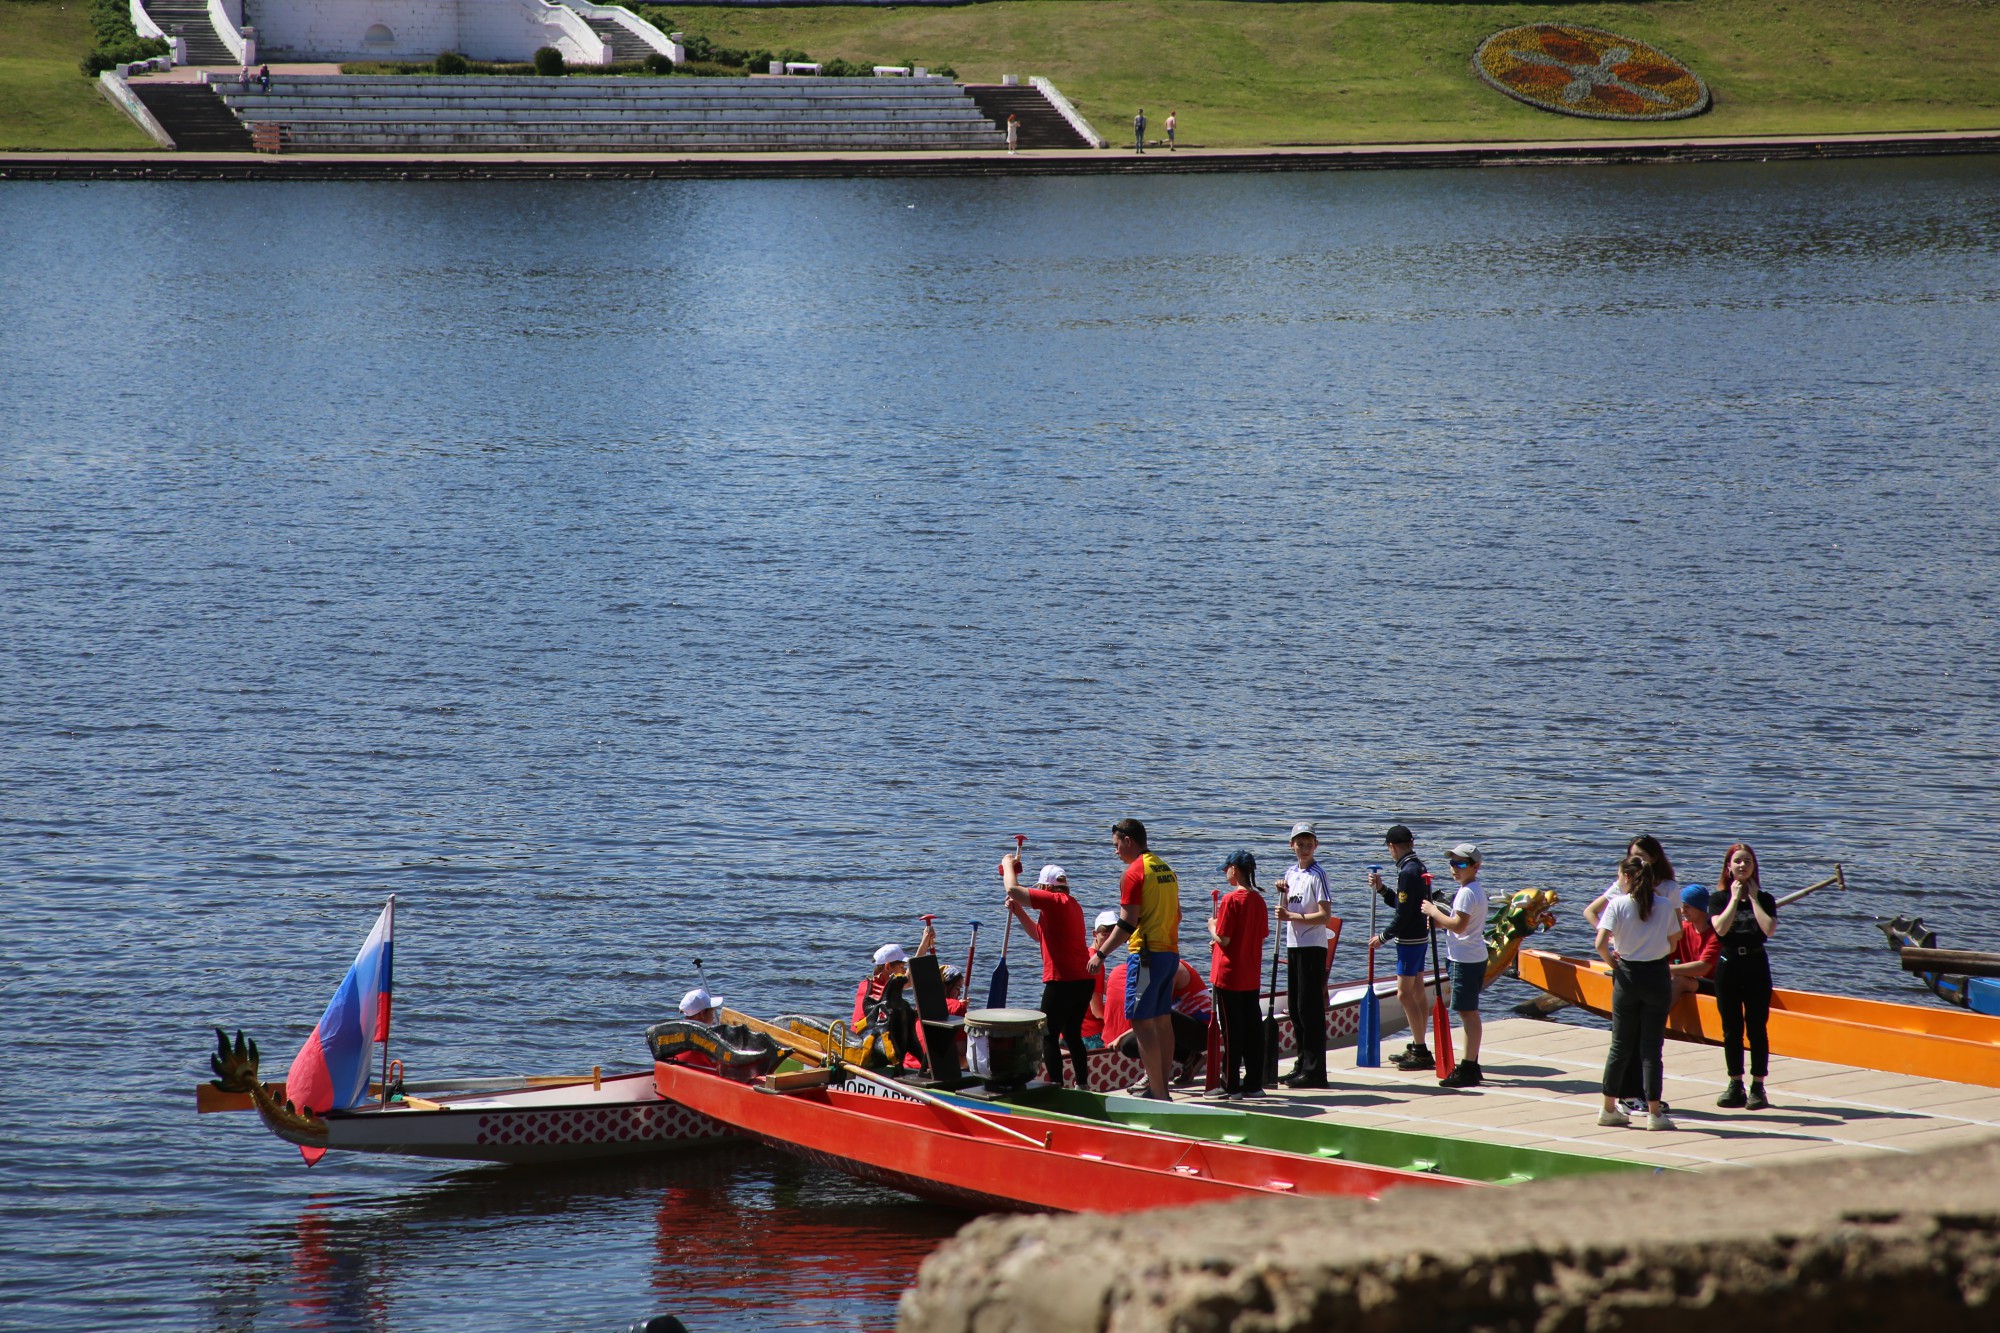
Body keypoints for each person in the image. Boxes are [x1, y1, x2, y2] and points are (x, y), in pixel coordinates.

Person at [1585, 835, 1682, 1114]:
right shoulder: (1644, 899)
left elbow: (1600, 943)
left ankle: (1612, 1107)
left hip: (1631, 969)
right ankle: (1644, 1105)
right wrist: (1629, 945)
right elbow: (1675, 937)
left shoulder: (1650, 896)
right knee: (1645, 1045)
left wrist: (1617, 955)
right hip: (1651, 969)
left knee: (1627, 1043)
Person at [1087, 817, 1181, 1100]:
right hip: (1170, 955)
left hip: (1146, 958)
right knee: (1162, 1020)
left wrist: (1101, 954)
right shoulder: (1165, 868)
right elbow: (1178, 915)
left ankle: (1158, 1092)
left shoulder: (1133, 873)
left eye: (1116, 846)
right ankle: (1163, 1086)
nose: (1115, 852)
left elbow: (1127, 923)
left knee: (1141, 1022)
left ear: (1128, 840)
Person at [1003, 855, 1092, 1089]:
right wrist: (1019, 911)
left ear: (1045, 887)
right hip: (1083, 981)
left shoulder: (1053, 901)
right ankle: (1082, 1085)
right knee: (1072, 1035)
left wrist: (1007, 864)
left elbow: (1013, 888)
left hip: (1062, 981)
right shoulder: (1071, 904)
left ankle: (1056, 1085)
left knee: (1048, 1035)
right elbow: (1039, 936)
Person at [1712, 842, 1779, 1110]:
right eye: (1737, 861)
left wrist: (1751, 899)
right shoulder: (1717, 898)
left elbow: (1769, 929)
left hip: (1756, 963)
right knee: (1731, 1029)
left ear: (1754, 867)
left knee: (1757, 1028)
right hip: (1729, 964)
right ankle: (1735, 1083)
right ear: (1729, 867)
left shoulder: (1765, 898)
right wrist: (1732, 899)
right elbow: (1720, 928)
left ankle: (1758, 1086)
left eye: (1747, 862)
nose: (1742, 866)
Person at [1421, 842, 1490, 1088]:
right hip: (1468, 956)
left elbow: (1459, 926)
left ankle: (1469, 1067)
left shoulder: (1467, 892)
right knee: (1467, 1010)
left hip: (1465, 959)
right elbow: (1461, 924)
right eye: (1452, 863)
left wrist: (1432, 911)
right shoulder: (1473, 890)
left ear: (1475, 866)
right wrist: (1441, 921)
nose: (1455, 868)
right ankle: (1471, 1064)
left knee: (1467, 1012)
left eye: (1461, 864)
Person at [1368, 824, 1433, 1071]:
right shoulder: (1417, 867)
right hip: (1420, 937)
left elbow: (1403, 915)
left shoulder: (1407, 871)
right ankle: (1419, 1045)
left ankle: (1420, 1050)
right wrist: (1383, 889)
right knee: (1416, 991)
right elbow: (1403, 905)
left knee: (1404, 994)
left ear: (1392, 847)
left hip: (1409, 941)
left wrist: (1382, 937)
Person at [1208, 850, 1269, 1099]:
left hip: (1229, 975)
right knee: (1252, 1029)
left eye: (1227, 868)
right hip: (1251, 973)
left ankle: (1230, 1084)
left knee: (1232, 1032)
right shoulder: (1259, 900)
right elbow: (1259, 934)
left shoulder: (1231, 900)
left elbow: (1224, 937)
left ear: (1235, 869)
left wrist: (1211, 927)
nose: (1225, 873)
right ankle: (1253, 1082)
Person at [1275, 822, 1332, 1088]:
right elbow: (1284, 910)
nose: (1305, 848)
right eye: (1300, 843)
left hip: (1312, 947)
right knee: (1297, 1010)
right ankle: (1301, 1064)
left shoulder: (1318, 875)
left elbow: (1324, 916)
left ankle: (1315, 1071)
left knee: (1310, 1011)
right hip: (1293, 946)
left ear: (1315, 846)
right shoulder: (1290, 872)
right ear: (1292, 845)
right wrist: (1281, 894)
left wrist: (1291, 916)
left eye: (1309, 843)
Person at [1671, 884, 1720, 1001]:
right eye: (1681, 907)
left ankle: (1657, 1018)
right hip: (1691, 979)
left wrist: (1663, 969)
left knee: (1679, 980)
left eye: (1687, 907)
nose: (1683, 911)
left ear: (1701, 908)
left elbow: (1702, 968)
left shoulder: (1716, 934)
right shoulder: (1682, 928)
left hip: (1715, 984)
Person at [1081, 909, 1119, 1050]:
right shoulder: (1096, 964)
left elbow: (1101, 987)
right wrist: (1119, 1018)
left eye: (1113, 936)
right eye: (1105, 935)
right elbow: (1096, 1010)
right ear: (1094, 934)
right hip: (1089, 1033)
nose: (1109, 941)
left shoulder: (1085, 954)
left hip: (1070, 1029)